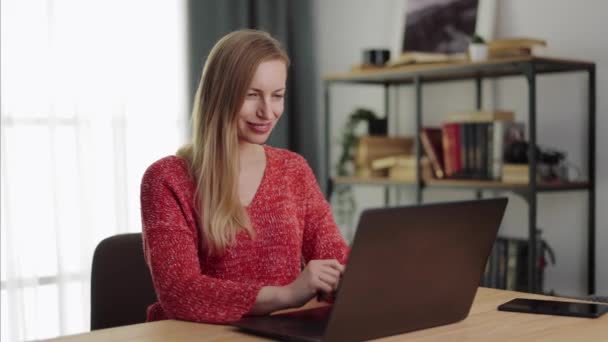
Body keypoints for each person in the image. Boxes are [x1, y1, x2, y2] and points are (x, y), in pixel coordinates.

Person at [140, 29, 350, 324]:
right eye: (251, 95)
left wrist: (353, 278)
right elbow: (180, 292)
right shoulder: (167, 178)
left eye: (277, 96)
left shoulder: (294, 169)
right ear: (220, 94)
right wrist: (287, 294)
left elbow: (335, 258)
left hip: (279, 331)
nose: (268, 111)